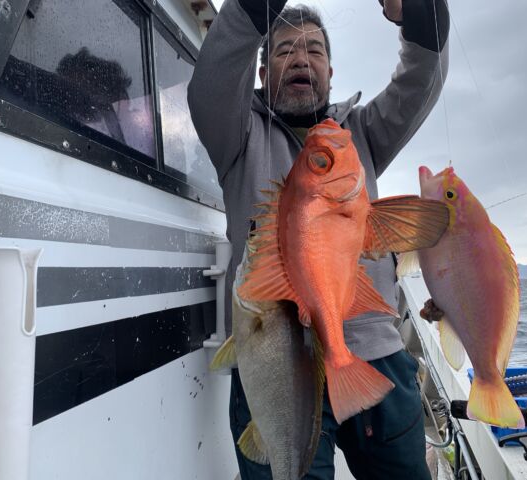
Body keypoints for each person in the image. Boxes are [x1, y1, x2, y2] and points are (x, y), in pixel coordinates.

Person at [188, 0, 449, 478]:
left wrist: (418, 10)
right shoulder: (237, 134)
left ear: (331, 70)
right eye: (284, 49)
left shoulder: (358, 135)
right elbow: (212, 83)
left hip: (374, 356)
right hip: (274, 361)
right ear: (262, 73)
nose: (300, 58)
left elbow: (421, 82)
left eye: (314, 50)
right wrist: (255, 9)